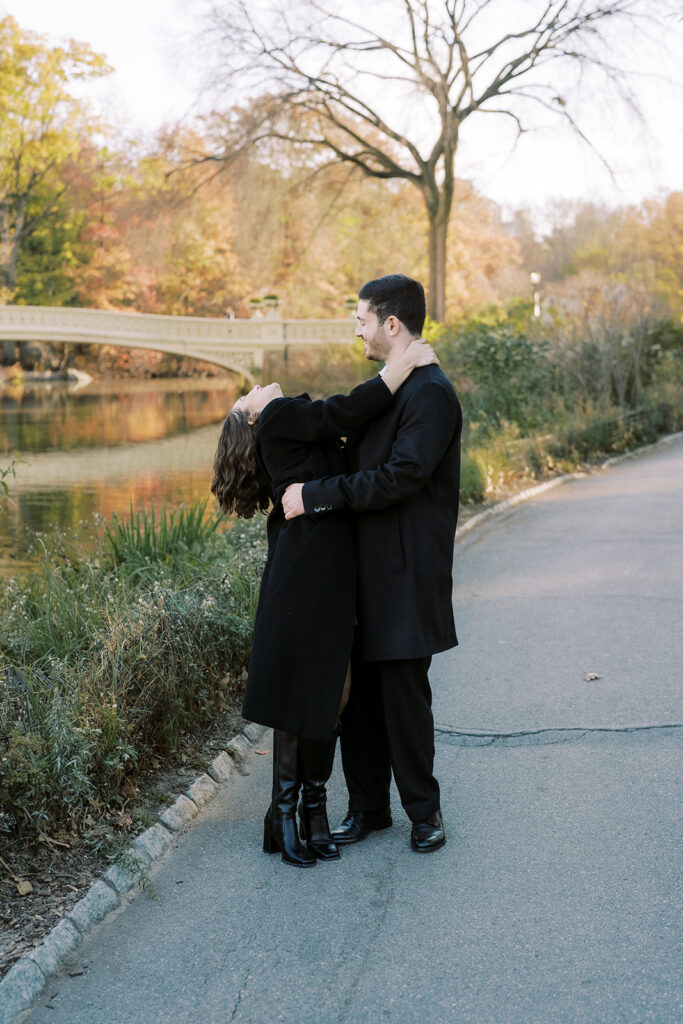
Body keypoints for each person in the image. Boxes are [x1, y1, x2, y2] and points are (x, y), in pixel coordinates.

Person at [210, 339, 437, 868]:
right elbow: (347, 409)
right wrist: (402, 365)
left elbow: (343, 430)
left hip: (327, 564)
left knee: (333, 693)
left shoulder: (289, 421)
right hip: (308, 568)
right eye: (247, 396)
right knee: (307, 692)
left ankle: (312, 812)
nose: (255, 386)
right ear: (252, 418)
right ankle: (286, 814)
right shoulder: (279, 416)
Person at [282, 274, 462, 854]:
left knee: (404, 699)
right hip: (361, 574)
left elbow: (401, 477)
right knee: (357, 701)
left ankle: (424, 812)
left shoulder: (431, 394)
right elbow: (340, 430)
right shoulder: (385, 388)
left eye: (361, 319)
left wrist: (317, 494)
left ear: (391, 324)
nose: (355, 329)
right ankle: (368, 809)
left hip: (406, 574)